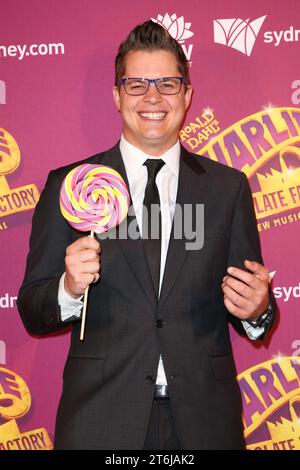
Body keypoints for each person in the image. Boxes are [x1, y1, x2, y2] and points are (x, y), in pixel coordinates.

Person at [17, 20, 276, 450]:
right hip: (100, 421)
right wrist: (68, 287)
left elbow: (246, 304)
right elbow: (31, 309)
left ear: (187, 96)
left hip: (204, 423)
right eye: (137, 84)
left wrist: (257, 309)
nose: (152, 97)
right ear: (117, 95)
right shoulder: (71, 186)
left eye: (168, 84)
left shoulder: (227, 189)